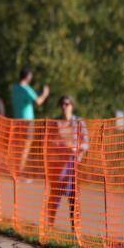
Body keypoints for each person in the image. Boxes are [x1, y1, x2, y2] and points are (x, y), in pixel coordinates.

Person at [46, 95, 89, 231]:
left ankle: (74, 228)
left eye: (67, 104)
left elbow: (86, 142)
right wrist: (59, 145)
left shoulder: (79, 123)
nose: (64, 107)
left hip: (73, 164)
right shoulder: (54, 122)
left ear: (72, 106)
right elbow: (47, 141)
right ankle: (49, 224)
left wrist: (78, 149)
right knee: (55, 195)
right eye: (62, 104)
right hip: (57, 165)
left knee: (73, 196)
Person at [11, 68, 50, 177]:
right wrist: (45, 94)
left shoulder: (14, 87)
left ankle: (15, 171)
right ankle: (19, 172)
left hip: (17, 120)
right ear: (28, 77)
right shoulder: (26, 89)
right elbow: (38, 101)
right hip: (27, 122)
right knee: (25, 147)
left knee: (18, 147)